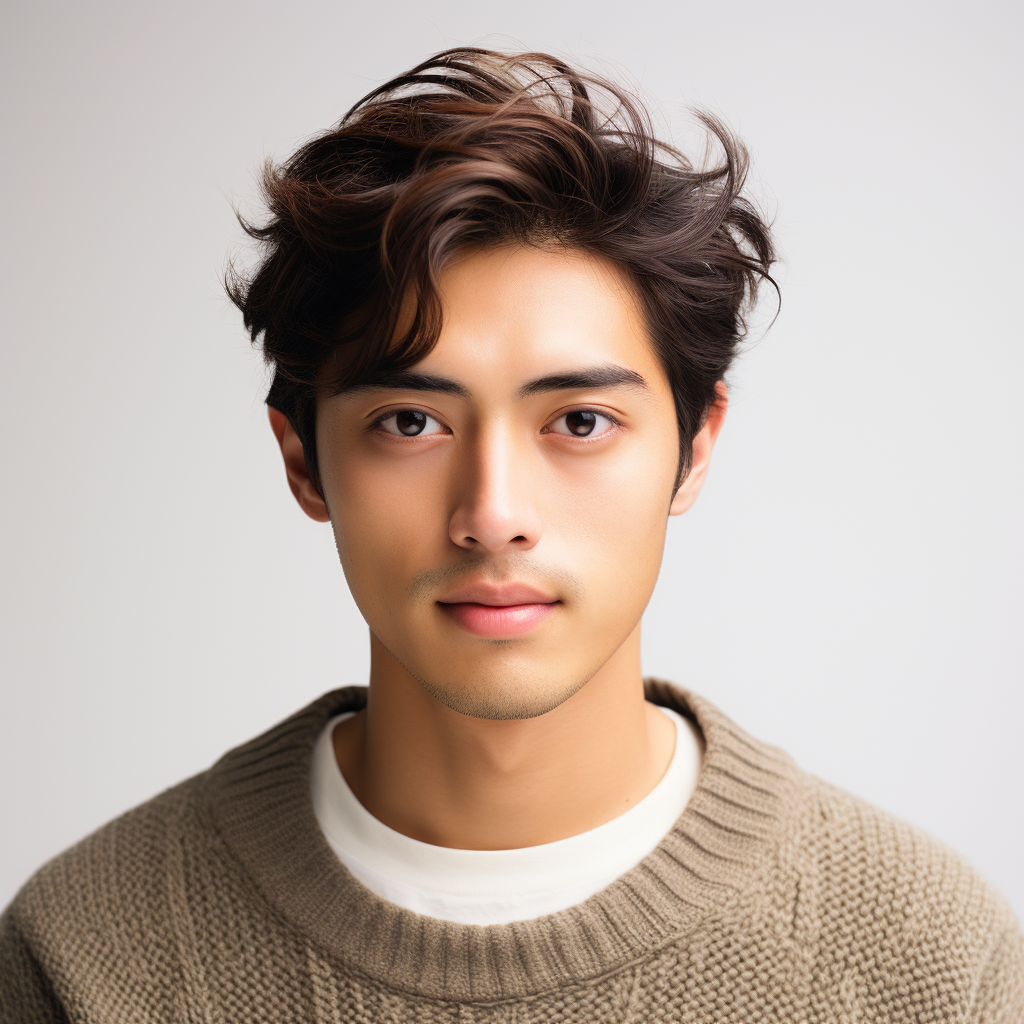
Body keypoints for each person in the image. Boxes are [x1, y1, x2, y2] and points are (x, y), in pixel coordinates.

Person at [2, 47, 1021, 1022]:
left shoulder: (926, 960)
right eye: (411, 422)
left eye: (579, 421)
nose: (493, 512)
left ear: (694, 447)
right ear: (303, 460)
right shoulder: (82, 954)